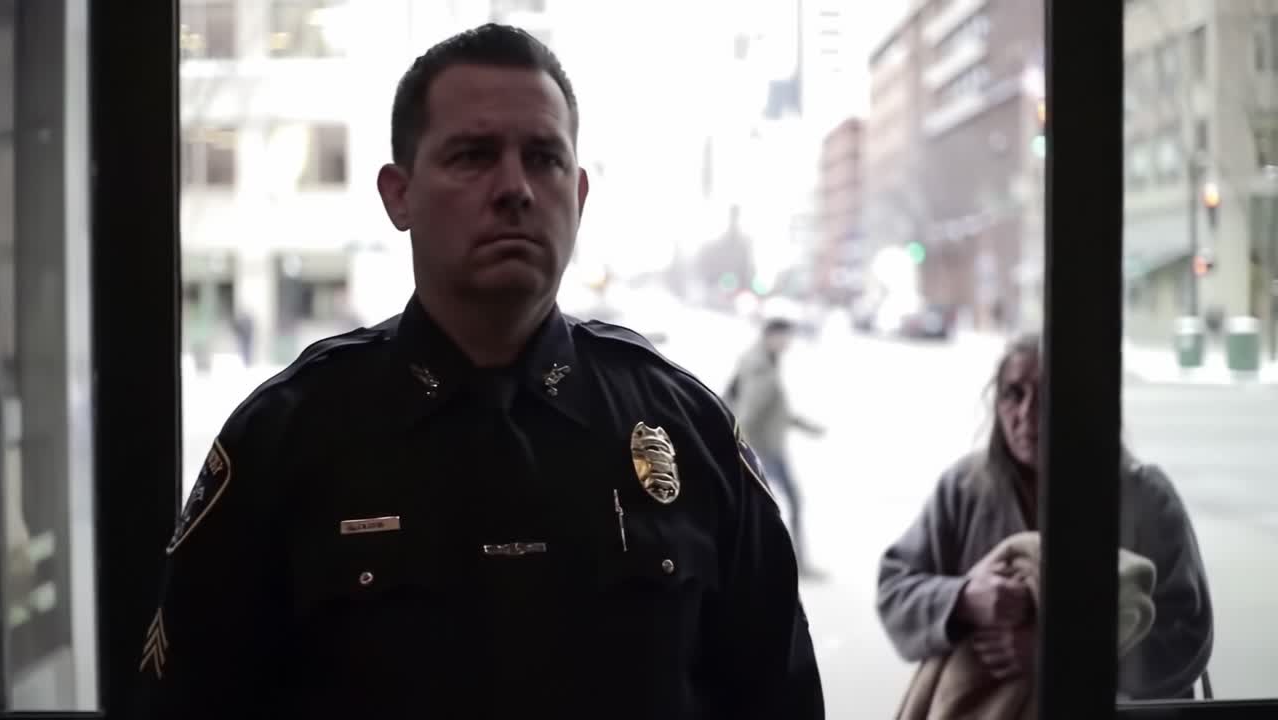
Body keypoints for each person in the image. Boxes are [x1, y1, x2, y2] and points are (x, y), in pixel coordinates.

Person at [134, 24, 822, 719]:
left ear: (578, 195)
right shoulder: (286, 441)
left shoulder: (687, 431)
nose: (516, 188)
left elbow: (780, 697)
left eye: (545, 159)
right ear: (397, 195)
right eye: (473, 155)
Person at [877, 332, 1213, 700]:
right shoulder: (963, 490)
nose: (1027, 413)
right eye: (1014, 393)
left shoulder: (1145, 498)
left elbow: (1186, 633)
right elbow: (895, 590)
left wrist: (1061, 654)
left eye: (1050, 393)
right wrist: (964, 599)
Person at [727, 317, 825, 577]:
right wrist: (741, 449)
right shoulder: (761, 367)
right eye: (785, 337)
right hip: (764, 449)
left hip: (764, 446)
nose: (788, 343)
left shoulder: (760, 360)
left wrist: (806, 426)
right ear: (772, 336)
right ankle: (787, 565)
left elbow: (772, 410)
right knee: (779, 504)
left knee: (765, 506)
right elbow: (748, 411)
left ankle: (769, 563)